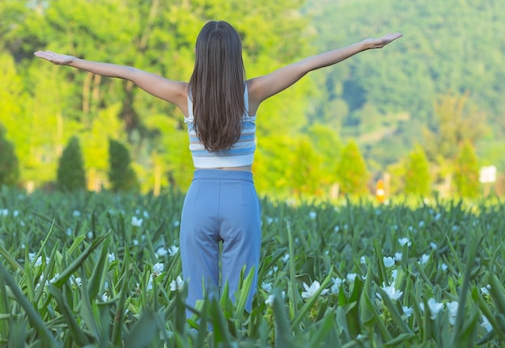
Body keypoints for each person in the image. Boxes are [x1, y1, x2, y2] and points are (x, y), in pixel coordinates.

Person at [34, 20, 402, 316]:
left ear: (201, 57)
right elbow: (307, 64)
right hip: (241, 199)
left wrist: (73, 61)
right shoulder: (253, 92)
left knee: (198, 301)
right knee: (239, 298)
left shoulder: (183, 94)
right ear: (235, 57)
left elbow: (129, 72)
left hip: (200, 200)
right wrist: (361, 45)